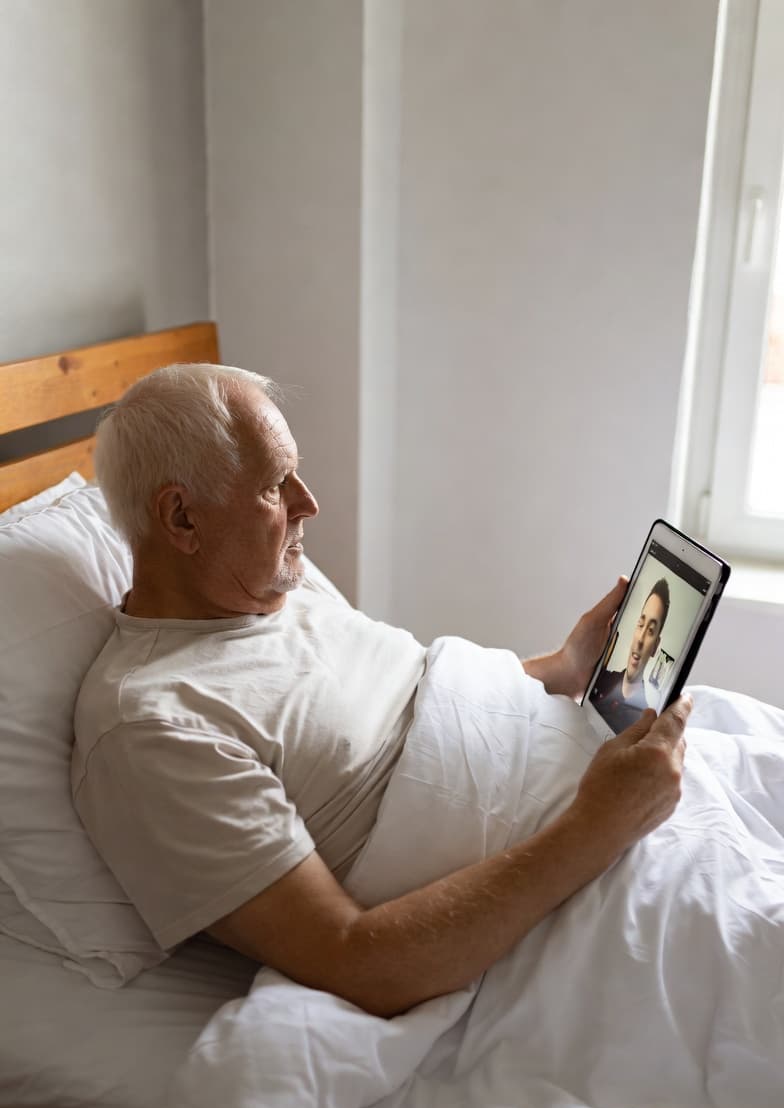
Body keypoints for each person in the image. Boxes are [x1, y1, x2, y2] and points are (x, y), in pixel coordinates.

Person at [71, 363, 691, 1019]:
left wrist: (562, 669)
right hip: (587, 859)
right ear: (181, 518)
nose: (309, 503)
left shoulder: (273, 589)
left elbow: (414, 708)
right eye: (275, 485)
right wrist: (599, 825)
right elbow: (352, 960)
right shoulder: (154, 726)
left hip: (602, 786)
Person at [589, 579, 671, 733]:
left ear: (655, 647)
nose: (640, 639)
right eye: (640, 625)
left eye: (650, 631)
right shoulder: (600, 678)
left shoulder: (644, 720)